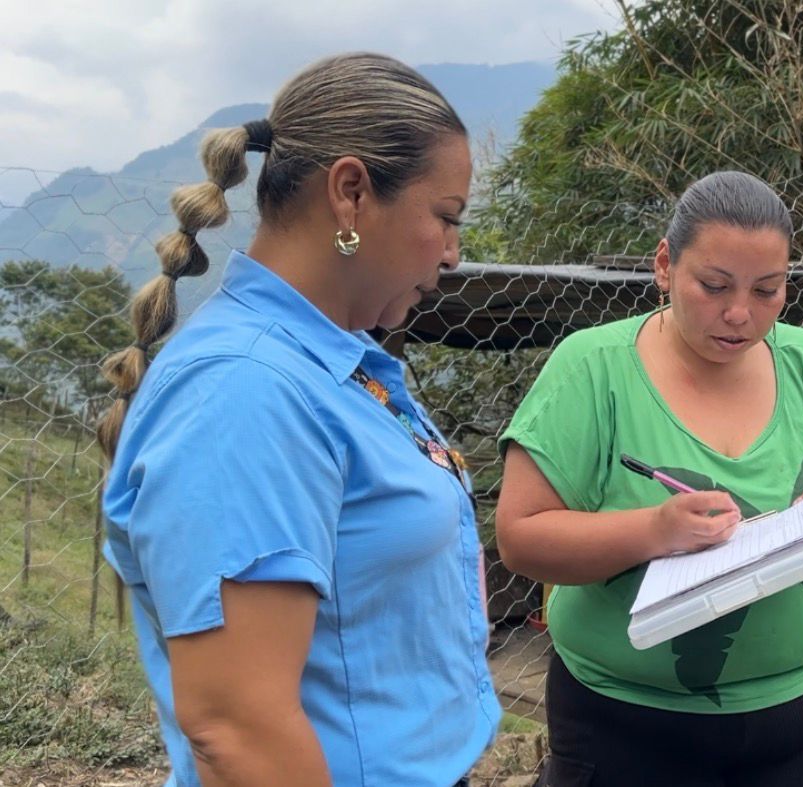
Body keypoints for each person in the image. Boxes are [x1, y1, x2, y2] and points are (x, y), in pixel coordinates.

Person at [99, 53, 500, 787]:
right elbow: (237, 731)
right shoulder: (244, 393)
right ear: (350, 193)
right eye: (444, 218)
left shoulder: (330, 363)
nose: (452, 252)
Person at [495, 171, 803, 787]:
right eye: (714, 285)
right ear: (665, 265)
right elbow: (520, 538)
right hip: (627, 728)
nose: (740, 314)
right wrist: (654, 529)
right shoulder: (591, 368)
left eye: (768, 291)